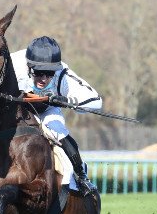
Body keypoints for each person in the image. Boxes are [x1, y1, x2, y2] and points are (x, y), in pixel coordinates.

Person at [22, 36, 102, 196]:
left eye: (49, 73)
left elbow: (96, 101)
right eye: (39, 72)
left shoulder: (63, 74)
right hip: (19, 109)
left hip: (48, 109)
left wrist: (67, 100)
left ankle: (81, 175)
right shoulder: (13, 65)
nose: (43, 79)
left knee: (58, 130)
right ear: (29, 66)